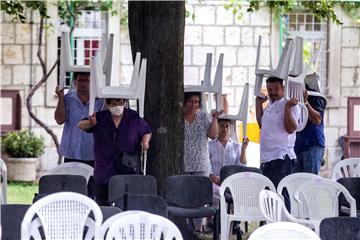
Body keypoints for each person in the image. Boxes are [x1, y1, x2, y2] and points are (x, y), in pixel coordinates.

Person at [78, 98, 151, 206]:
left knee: (126, 204)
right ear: (108, 104)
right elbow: (80, 125)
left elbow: (146, 130)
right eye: (114, 103)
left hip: (127, 169)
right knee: (103, 205)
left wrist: (145, 142)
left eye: (120, 103)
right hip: (104, 169)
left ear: (125, 103)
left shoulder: (133, 117)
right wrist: (90, 123)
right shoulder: (100, 117)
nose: (118, 106)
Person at [183, 91, 220, 235]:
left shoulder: (203, 117)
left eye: (197, 102)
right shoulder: (178, 118)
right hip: (184, 163)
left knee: (199, 197)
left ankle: (199, 229)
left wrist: (215, 119)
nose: (193, 105)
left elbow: (212, 135)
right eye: (190, 101)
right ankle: (186, 228)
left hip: (200, 163)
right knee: (184, 196)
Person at [255, 77, 300, 188]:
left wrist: (288, 108)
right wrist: (258, 105)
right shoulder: (270, 104)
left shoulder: (290, 103)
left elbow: (291, 129)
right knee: (268, 197)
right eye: (270, 90)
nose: (273, 92)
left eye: (276, 89)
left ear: (283, 88)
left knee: (282, 197)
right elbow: (262, 125)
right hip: (266, 158)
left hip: (281, 158)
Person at [55, 72, 103, 167]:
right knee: (72, 181)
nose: (83, 83)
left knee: (91, 181)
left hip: (93, 152)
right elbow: (60, 120)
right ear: (75, 82)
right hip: (71, 151)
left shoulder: (101, 100)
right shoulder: (67, 99)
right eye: (80, 80)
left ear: (92, 82)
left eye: (87, 80)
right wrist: (60, 97)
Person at [208, 118, 249, 207]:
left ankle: (231, 216)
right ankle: (214, 217)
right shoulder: (210, 145)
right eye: (222, 126)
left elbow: (241, 166)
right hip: (215, 182)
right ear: (217, 127)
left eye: (227, 126)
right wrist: (212, 176)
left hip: (231, 182)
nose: (225, 129)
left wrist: (243, 149)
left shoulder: (236, 146)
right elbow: (206, 164)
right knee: (216, 193)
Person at [294, 83, 326, 174]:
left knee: (309, 182)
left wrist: (305, 103)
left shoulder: (316, 97)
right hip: (297, 146)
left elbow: (317, 120)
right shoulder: (291, 97)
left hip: (313, 145)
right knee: (295, 183)